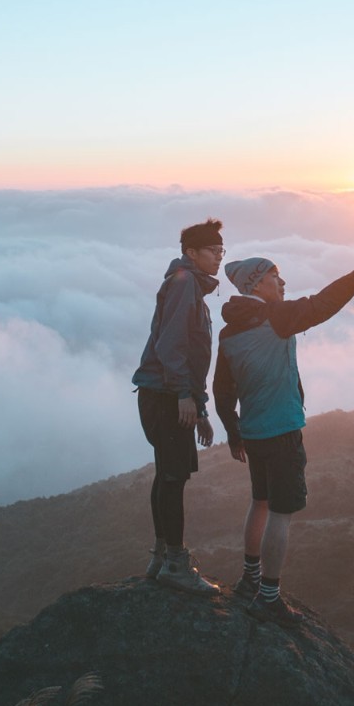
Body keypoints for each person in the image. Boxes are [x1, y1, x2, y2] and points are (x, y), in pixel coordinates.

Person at [213, 241, 354, 626]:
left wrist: (234, 434)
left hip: (253, 432)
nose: (282, 282)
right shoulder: (276, 318)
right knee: (281, 512)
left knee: (260, 501)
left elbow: (222, 391)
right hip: (281, 430)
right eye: (274, 276)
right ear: (257, 284)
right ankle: (268, 596)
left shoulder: (229, 332)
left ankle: (249, 579)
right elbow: (324, 303)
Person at [132, 218, 225, 595]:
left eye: (222, 251)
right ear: (191, 253)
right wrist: (185, 396)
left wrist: (200, 407)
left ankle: (160, 558)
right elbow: (173, 345)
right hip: (167, 394)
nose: (219, 258)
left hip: (166, 393)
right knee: (173, 477)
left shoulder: (188, 286)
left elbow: (188, 351)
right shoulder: (185, 285)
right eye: (213, 251)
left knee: (168, 475)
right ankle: (175, 563)